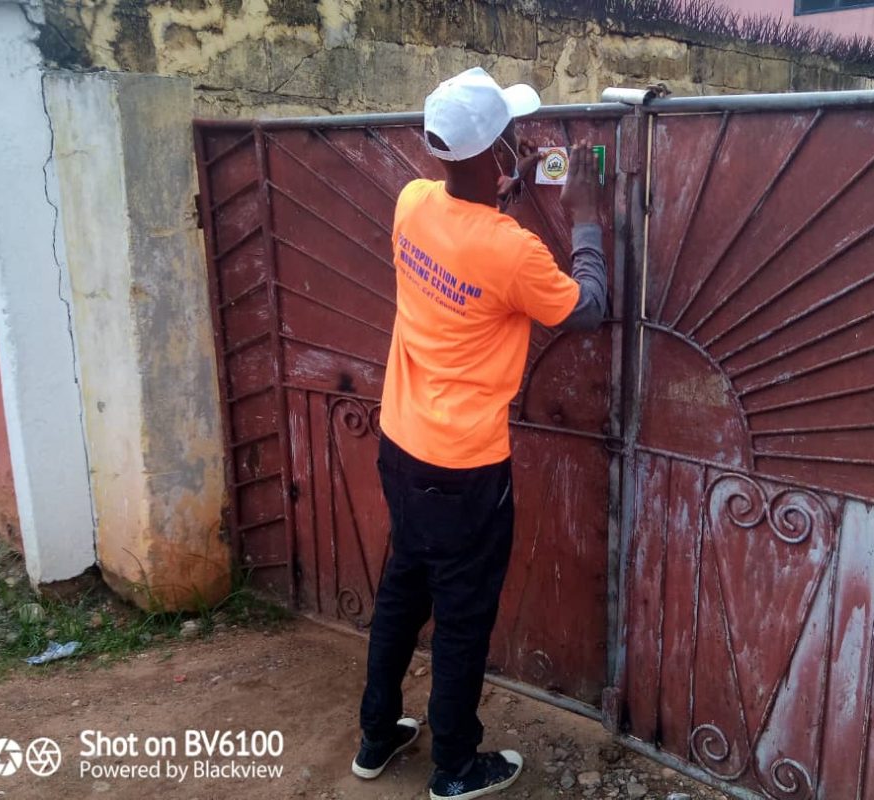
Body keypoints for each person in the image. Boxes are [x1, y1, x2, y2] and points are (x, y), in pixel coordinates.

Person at [351, 66, 608, 800]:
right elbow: (587, 306)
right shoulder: (511, 250)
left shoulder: (413, 202)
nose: (517, 142)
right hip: (463, 469)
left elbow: (463, 232)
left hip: (401, 444)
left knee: (402, 591)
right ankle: (456, 767)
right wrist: (586, 216)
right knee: (462, 618)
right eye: (510, 136)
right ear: (494, 151)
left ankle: (376, 736)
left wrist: (501, 190)